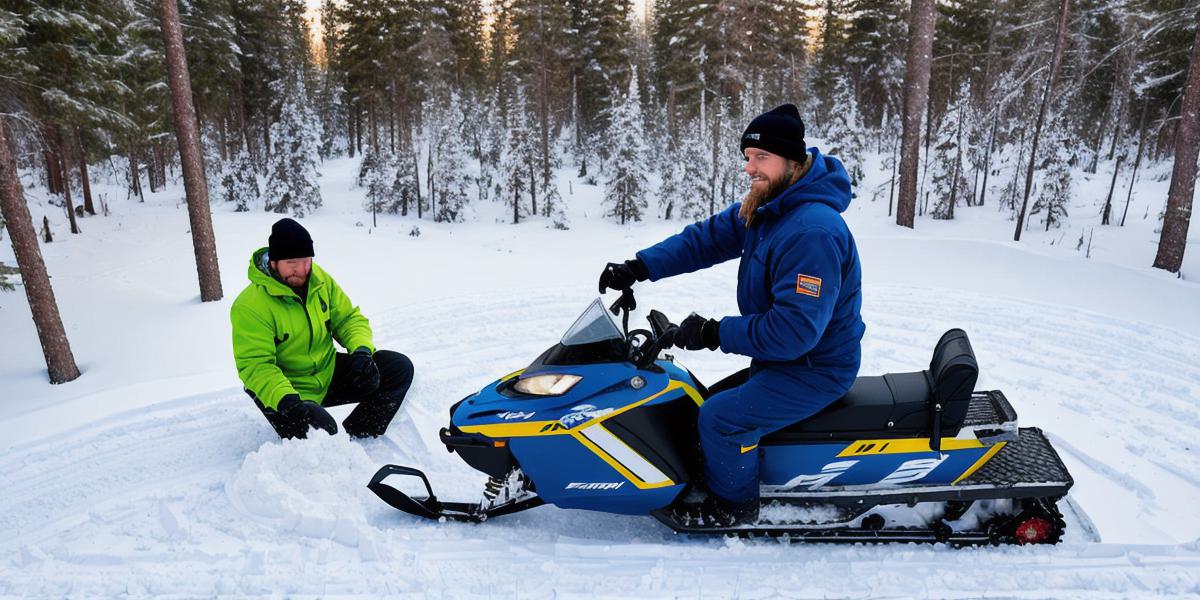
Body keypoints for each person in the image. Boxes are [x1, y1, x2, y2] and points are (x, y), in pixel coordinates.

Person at [598, 104, 865, 526]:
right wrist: (640, 267)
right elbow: (707, 239)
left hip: (815, 368)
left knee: (720, 419)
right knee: (696, 399)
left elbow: (794, 331)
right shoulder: (772, 204)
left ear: (792, 161)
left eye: (761, 158)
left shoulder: (812, 230)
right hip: (787, 360)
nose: (749, 168)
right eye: (747, 157)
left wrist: (712, 333)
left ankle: (733, 508)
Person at [231, 218, 414, 440]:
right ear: (274, 263)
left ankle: (359, 434)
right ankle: (312, 430)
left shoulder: (319, 280)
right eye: (292, 263)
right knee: (321, 441)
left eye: (306, 261)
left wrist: (362, 351)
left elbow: (348, 318)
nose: (302, 270)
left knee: (398, 368)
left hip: (326, 372)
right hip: (288, 392)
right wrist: (289, 401)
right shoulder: (250, 306)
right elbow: (256, 366)